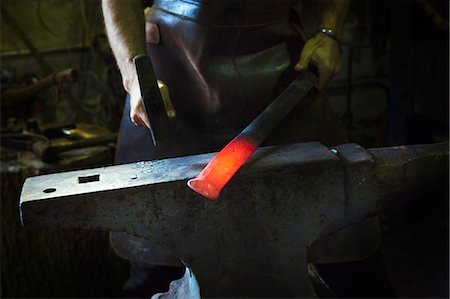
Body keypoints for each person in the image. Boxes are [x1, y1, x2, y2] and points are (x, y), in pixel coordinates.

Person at [102, 0, 393, 297]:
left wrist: (329, 33)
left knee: (345, 248)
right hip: (174, 73)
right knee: (158, 260)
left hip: (280, 68)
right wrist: (132, 73)